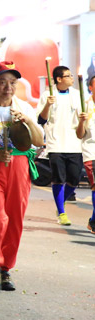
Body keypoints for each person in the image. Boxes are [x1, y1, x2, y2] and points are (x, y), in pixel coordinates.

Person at [0, 61, 44, 292]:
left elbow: (38, 141)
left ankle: (5, 269)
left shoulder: (24, 108)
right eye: (2, 82)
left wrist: (27, 121)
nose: (8, 87)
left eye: (12, 82)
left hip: (19, 166)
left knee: (15, 219)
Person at [36, 65, 83, 225]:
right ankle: (61, 213)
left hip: (74, 144)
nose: (71, 78)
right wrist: (48, 105)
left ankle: (60, 203)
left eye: (71, 75)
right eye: (68, 76)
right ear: (59, 79)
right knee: (58, 179)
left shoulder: (77, 95)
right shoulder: (47, 95)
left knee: (74, 179)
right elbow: (41, 120)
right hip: (55, 144)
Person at [76, 75, 95, 234]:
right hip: (91, 153)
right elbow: (80, 134)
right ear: (90, 87)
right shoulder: (84, 107)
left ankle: (94, 220)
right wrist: (82, 121)